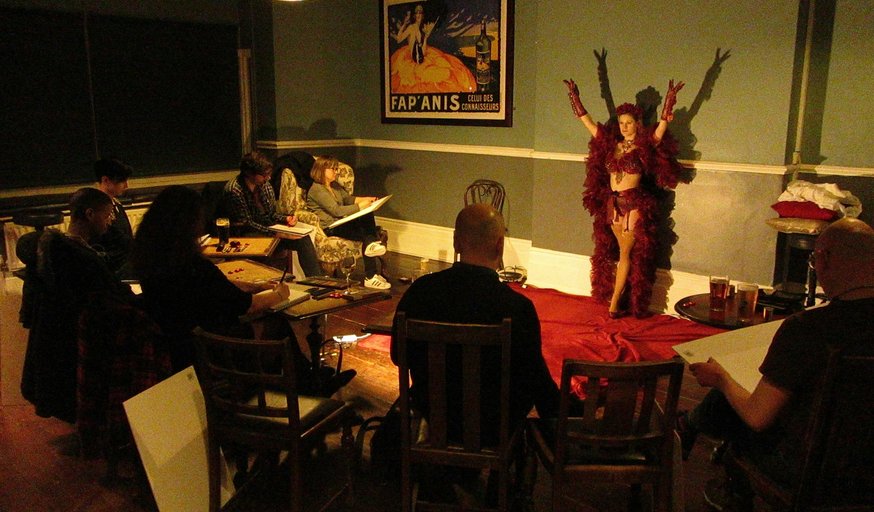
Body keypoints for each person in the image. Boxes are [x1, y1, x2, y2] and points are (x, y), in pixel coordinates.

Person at [679, 218, 874, 503]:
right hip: (865, 468)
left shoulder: (807, 329)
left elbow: (757, 417)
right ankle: (689, 424)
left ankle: (699, 442)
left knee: (735, 399)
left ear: (825, 259)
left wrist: (720, 379)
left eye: (813, 260)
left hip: (809, 472)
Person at [391, 203, 560, 442]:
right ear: (500, 245)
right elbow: (536, 383)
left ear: (456, 242)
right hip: (495, 431)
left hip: (435, 421)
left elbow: (399, 356)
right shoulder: (518, 308)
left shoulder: (419, 292)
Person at [131, 185, 294, 371]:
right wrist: (280, 294)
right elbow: (249, 305)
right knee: (278, 323)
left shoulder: (152, 260)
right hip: (212, 348)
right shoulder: (194, 266)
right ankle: (278, 379)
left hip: (176, 345)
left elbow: (215, 288)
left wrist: (255, 286)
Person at [564, 77, 686, 318]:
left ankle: (614, 303)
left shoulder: (644, 146)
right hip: (613, 204)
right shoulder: (613, 145)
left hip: (633, 205)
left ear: (637, 124)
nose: (624, 127)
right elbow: (589, 124)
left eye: (629, 123)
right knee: (619, 251)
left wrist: (669, 103)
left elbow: (661, 130)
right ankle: (617, 299)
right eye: (621, 123)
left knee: (625, 253)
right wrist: (575, 98)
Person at [21, 188, 135, 423]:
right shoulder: (81, 259)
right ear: (90, 214)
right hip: (86, 344)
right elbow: (111, 299)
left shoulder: (55, 250)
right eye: (107, 216)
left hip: (60, 346)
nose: (110, 222)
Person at [223, 151, 321, 277]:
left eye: (269, 174)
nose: (268, 178)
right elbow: (246, 223)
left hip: (268, 229)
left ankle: (315, 279)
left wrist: (286, 219)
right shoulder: (234, 190)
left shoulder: (265, 185)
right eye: (264, 175)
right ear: (249, 173)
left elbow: (270, 214)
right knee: (267, 244)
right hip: (246, 234)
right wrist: (274, 233)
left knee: (303, 239)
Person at [306, 155, 391, 290]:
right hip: (330, 227)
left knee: (368, 227)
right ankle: (370, 276)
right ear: (322, 170)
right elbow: (336, 211)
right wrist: (360, 206)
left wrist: (367, 200)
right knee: (369, 235)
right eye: (333, 169)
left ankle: (371, 273)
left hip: (341, 223)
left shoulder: (334, 186)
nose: (336, 172)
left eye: (336, 168)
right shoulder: (317, 189)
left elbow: (348, 199)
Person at [91, 158, 134, 275]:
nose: (126, 186)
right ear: (105, 180)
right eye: (122, 181)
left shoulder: (117, 205)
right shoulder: (97, 210)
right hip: (112, 268)